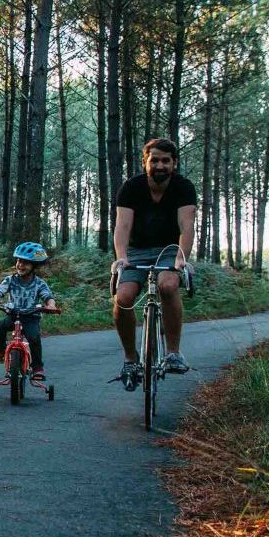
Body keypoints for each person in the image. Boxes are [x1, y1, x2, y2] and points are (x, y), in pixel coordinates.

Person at [113, 137, 197, 384]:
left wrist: (181, 258)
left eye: (165, 161)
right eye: (155, 160)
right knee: (123, 298)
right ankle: (130, 359)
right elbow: (122, 226)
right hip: (137, 250)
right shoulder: (130, 188)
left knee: (168, 286)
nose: (160, 166)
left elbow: (187, 225)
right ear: (145, 162)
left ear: (174, 163)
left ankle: (172, 353)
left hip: (170, 249)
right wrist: (121, 258)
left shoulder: (184, 187)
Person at [0, 242, 60, 378]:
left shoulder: (39, 283)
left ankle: (37, 367)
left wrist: (51, 306)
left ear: (34, 266)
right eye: (18, 261)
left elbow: (47, 296)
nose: (20, 265)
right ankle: (0, 351)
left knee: (34, 337)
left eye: (25, 263)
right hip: (13, 315)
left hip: (30, 317)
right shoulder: (10, 280)